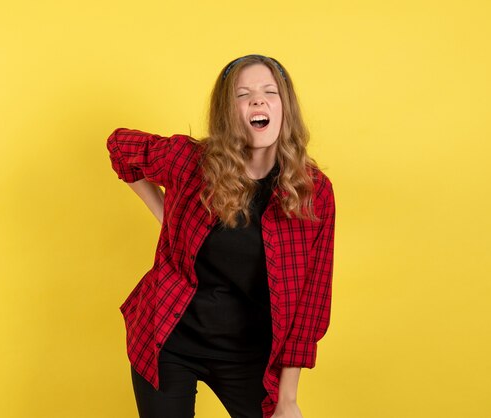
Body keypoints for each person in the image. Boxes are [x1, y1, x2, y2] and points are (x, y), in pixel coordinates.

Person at [106, 54, 335, 418]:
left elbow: (312, 302)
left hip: (249, 355)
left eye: (269, 91)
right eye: (243, 94)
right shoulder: (191, 162)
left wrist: (288, 398)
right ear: (228, 113)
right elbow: (121, 147)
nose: (257, 100)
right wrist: (165, 216)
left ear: (285, 107)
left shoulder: (313, 192)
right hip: (169, 339)